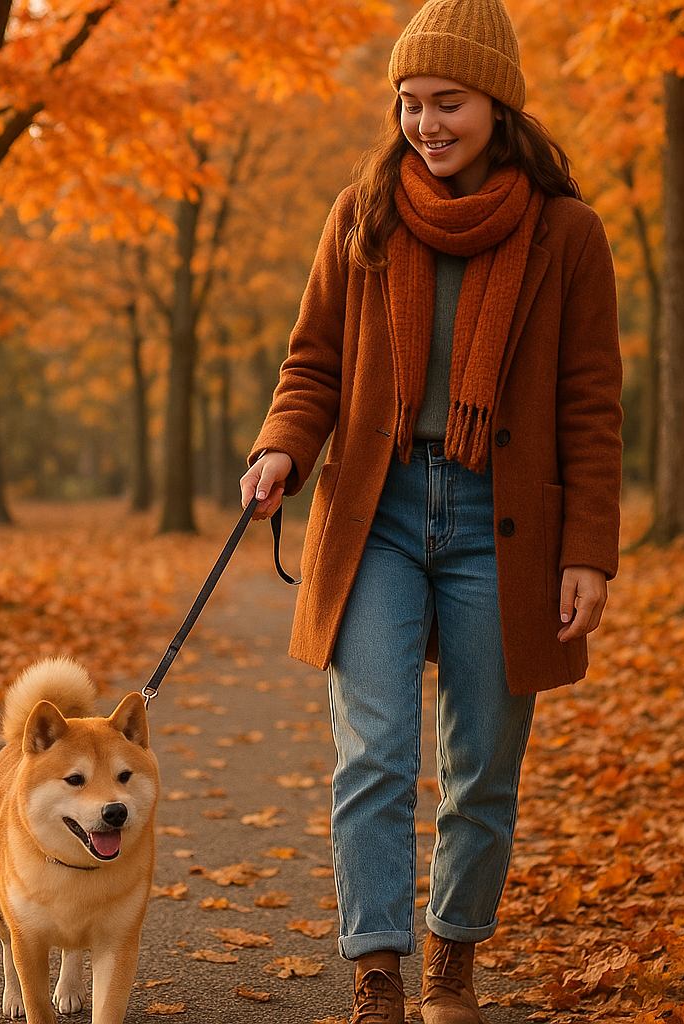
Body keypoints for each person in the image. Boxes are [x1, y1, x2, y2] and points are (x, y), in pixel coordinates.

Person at [239, 1, 622, 1020]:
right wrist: (281, 445)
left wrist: (587, 549)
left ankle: (453, 955)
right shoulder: (363, 212)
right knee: (373, 752)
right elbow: (311, 359)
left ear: (496, 101)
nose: (425, 124)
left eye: (446, 102)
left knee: (481, 765)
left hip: (507, 523)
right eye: (409, 103)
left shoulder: (566, 234)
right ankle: (378, 971)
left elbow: (590, 400)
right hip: (378, 515)